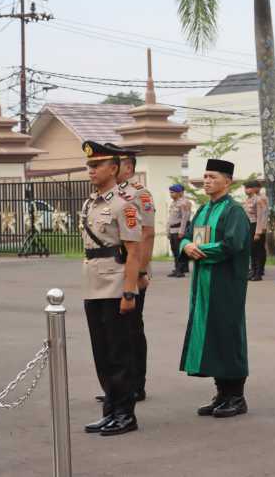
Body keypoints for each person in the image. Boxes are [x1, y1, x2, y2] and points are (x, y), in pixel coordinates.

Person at [79, 141, 143, 436]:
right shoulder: (90, 204)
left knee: (121, 353)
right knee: (102, 352)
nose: (91, 170)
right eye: (89, 166)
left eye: (97, 165)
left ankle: (125, 414)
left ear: (114, 168)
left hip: (117, 285)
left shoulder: (125, 204)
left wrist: (129, 292)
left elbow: (134, 251)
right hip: (93, 285)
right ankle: (110, 410)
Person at [180, 159, 252, 418]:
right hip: (203, 284)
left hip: (226, 284)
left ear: (227, 181)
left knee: (227, 334)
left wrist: (198, 251)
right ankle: (222, 394)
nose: (207, 181)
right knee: (211, 335)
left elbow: (233, 244)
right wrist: (186, 246)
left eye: (212, 176)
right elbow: (187, 236)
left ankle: (236, 396)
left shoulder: (234, 211)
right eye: (205, 176)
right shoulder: (202, 210)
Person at [107, 143, 156, 403]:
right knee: (114, 330)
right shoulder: (108, 195)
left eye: (116, 164)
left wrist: (140, 271)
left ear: (127, 167)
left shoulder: (139, 193)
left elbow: (147, 234)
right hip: (112, 271)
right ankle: (117, 385)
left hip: (133, 270)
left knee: (132, 328)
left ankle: (136, 383)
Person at [243, 179, 268, 281]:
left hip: (256, 226)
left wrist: (258, 232)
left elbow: (261, 216)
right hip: (248, 226)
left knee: (258, 250)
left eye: (248, 188)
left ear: (253, 189)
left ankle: (258, 273)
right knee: (251, 250)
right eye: (245, 188)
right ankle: (252, 271)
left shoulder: (259, 200)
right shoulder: (247, 200)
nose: (246, 190)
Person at [167, 184, 192, 278]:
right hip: (173, 230)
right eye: (170, 192)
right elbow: (170, 219)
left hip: (179, 230)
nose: (171, 194)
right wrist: (168, 231)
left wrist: (182, 231)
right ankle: (177, 268)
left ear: (180, 193)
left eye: (173, 192)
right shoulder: (174, 203)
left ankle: (181, 270)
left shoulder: (184, 203)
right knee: (174, 250)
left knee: (180, 251)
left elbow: (185, 218)